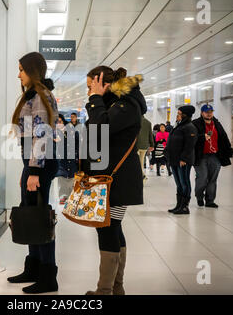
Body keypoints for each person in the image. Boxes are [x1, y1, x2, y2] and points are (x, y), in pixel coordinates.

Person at [82, 66, 146, 295]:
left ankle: (105, 290)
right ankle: (116, 287)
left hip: (118, 180)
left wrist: (95, 99)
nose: (88, 90)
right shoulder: (115, 104)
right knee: (111, 228)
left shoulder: (126, 105)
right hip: (111, 179)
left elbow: (101, 127)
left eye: (90, 85)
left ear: (102, 83)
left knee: (108, 229)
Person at [7, 52, 59, 294]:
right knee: (31, 213)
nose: (18, 74)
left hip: (41, 163)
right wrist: (27, 170)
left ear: (32, 71)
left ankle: (48, 275)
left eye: (21, 69)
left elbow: (42, 134)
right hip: (34, 163)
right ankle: (35, 267)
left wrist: (34, 170)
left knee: (39, 216)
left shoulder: (39, 96)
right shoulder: (33, 95)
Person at [192, 105, 233, 208]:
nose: (209, 113)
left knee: (212, 179)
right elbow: (191, 138)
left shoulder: (217, 124)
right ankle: (200, 197)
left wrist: (228, 151)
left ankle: (210, 200)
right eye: (206, 112)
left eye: (211, 111)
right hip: (200, 156)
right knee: (202, 178)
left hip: (215, 156)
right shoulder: (195, 123)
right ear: (202, 113)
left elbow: (224, 137)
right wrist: (202, 137)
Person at [165, 106, 197, 215]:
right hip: (174, 159)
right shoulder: (179, 125)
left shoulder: (189, 127)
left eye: (179, 113)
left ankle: (184, 207)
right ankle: (179, 205)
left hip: (183, 161)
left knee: (184, 183)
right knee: (179, 183)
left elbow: (190, 145)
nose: (177, 114)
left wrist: (184, 158)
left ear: (185, 115)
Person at [55, 114, 79, 204]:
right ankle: (63, 196)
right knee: (62, 178)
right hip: (61, 160)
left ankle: (71, 196)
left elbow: (77, 145)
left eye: (60, 121)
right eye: (56, 122)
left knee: (72, 177)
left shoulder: (72, 132)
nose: (58, 124)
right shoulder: (55, 133)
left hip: (72, 158)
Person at [136, 116, 154, 181]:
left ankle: (141, 177)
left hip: (136, 145)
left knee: (136, 162)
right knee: (141, 162)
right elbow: (150, 135)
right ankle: (142, 176)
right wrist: (152, 145)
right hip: (144, 146)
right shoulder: (148, 122)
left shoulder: (135, 120)